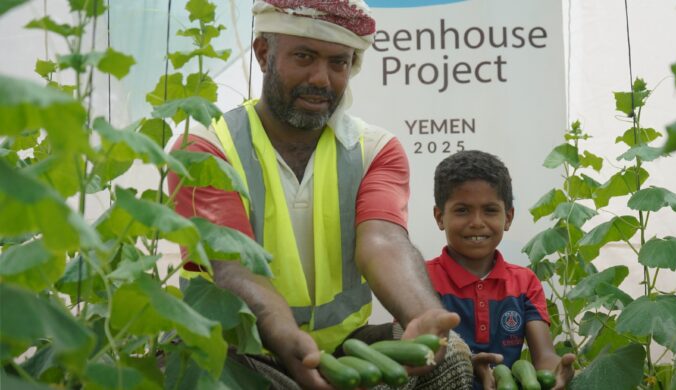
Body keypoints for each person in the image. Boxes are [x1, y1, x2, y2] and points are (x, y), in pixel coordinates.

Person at [167, 1, 473, 389]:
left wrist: (423, 315)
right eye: (304, 57)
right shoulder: (206, 147)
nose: (322, 79)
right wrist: (285, 336)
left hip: (342, 349)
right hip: (239, 349)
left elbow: (384, 242)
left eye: (338, 63)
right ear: (264, 54)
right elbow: (231, 266)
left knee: (452, 358)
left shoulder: (375, 149)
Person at [426, 150, 575, 390]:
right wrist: (463, 365)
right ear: (440, 216)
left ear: (508, 217)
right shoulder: (421, 280)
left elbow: (544, 356)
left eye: (490, 210)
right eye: (462, 210)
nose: (477, 222)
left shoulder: (525, 282)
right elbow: (415, 354)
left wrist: (554, 371)